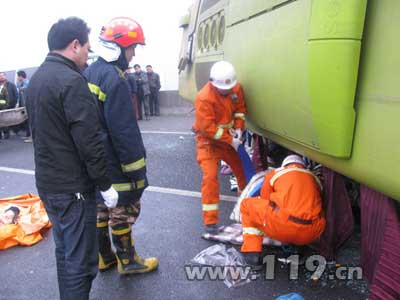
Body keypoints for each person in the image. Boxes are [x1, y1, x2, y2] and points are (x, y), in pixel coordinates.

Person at [25, 17, 118, 300]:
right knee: (82, 265)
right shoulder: (72, 81)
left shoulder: (37, 80)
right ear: (74, 45)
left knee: (65, 255)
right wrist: (105, 185)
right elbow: (89, 142)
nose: (87, 56)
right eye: (87, 49)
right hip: (73, 189)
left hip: (49, 185)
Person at [84, 17, 158, 275]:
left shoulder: (90, 72)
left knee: (101, 209)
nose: (134, 53)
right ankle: (128, 262)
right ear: (120, 46)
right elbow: (124, 131)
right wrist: (137, 171)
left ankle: (104, 258)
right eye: (132, 47)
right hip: (116, 161)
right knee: (123, 210)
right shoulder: (114, 80)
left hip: (96, 159)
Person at [240, 154, 326, 269]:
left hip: (282, 226)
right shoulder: (314, 179)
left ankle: (252, 253)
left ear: (284, 165)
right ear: (303, 166)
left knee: (247, 205)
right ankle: (297, 251)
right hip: (311, 233)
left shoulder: (276, 173)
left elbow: (265, 198)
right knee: (309, 215)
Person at [192, 60, 247, 234]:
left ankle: (245, 211)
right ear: (213, 83)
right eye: (222, 88)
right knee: (210, 178)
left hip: (229, 139)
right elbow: (208, 129)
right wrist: (230, 140)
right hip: (209, 143)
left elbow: (240, 110)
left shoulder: (235, 88)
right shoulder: (204, 97)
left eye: (229, 87)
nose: (226, 90)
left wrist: (239, 127)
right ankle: (210, 222)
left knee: (243, 172)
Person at [0, 72, 18, 140]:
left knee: (6, 121)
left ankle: (6, 134)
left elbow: (16, 95)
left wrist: (14, 105)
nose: (1, 77)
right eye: (0, 76)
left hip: (9, 106)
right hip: (0, 107)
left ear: (5, 76)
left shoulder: (11, 85)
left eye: (2, 76)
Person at [16, 70, 32, 142]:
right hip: (23, 105)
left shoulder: (27, 83)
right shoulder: (21, 83)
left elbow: (25, 91)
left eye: (17, 76)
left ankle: (32, 137)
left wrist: (22, 88)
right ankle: (28, 135)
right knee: (26, 120)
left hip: (28, 104)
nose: (17, 78)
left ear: (20, 76)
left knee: (30, 121)